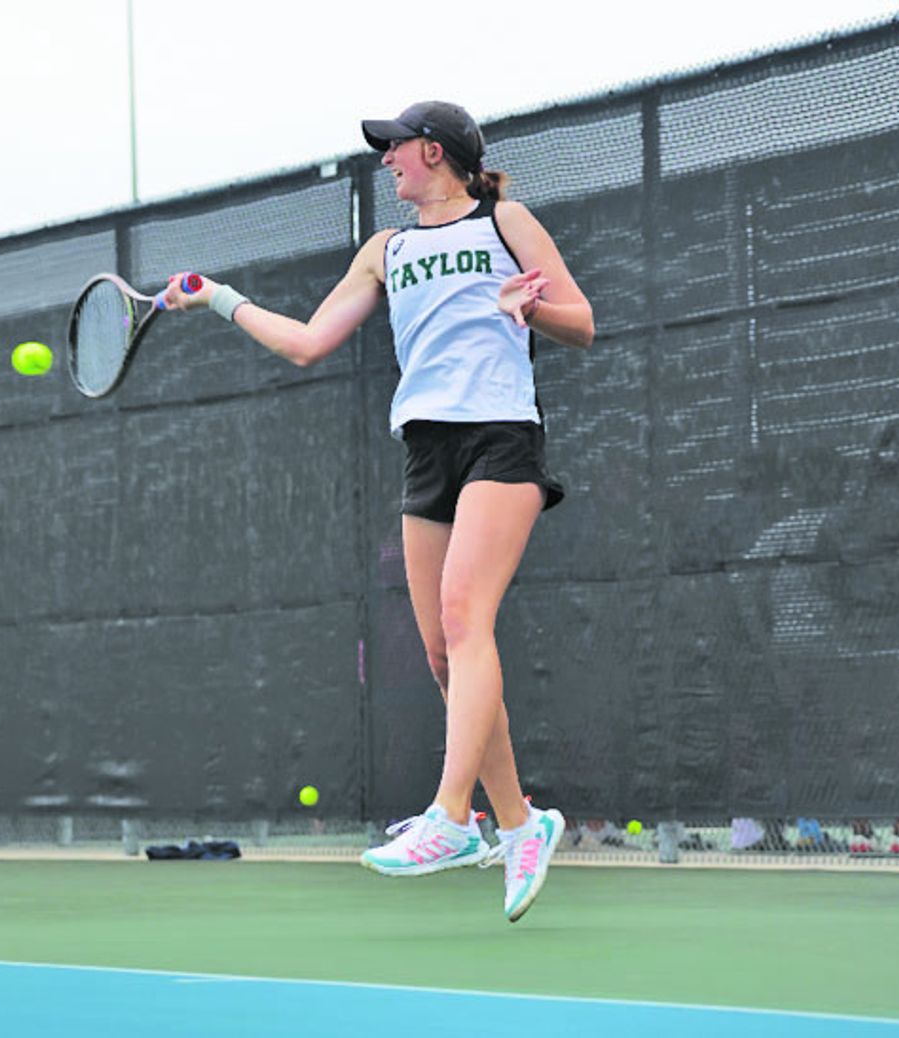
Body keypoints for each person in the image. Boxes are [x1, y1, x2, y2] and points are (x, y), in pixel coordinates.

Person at [162, 101, 593, 922]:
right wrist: (219, 297)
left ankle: (449, 815)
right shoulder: (385, 251)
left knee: (468, 621)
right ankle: (518, 823)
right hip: (427, 448)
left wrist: (527, 309)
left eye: (394, 149)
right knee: (441, 652)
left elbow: (583, 323)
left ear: (433, 151)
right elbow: (306, 342)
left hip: (500, 437)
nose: (386, 161)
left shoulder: (507, 220)